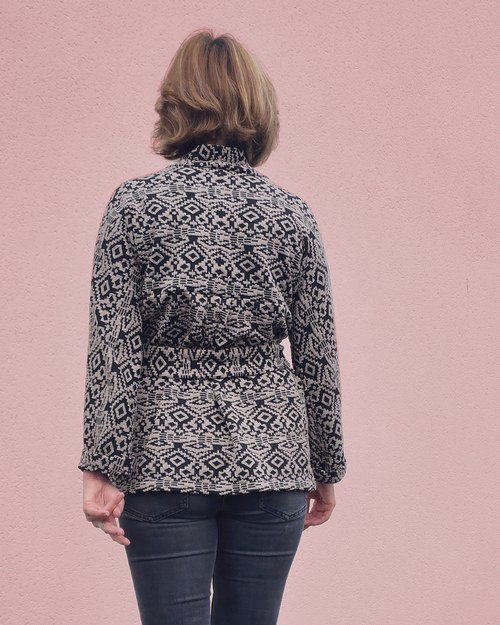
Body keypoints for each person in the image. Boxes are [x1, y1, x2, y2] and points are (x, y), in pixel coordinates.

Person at [78, 28, 347, 625]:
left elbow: (113, 350)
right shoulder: (292, 215)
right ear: (258, 107)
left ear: (174, 104)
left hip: (161, 458)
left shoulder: (133, 207)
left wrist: (101, 466)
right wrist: (325, 469)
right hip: (273, 457)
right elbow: (318, 357)